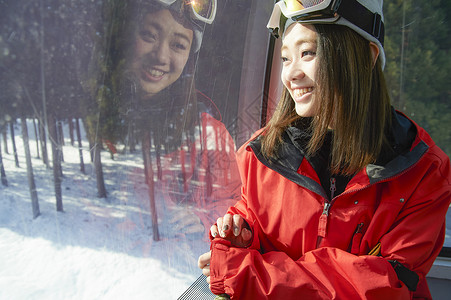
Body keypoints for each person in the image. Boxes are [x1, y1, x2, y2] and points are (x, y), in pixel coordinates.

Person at [198, 0, 451, 298]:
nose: (290, 75)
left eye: (307, 53)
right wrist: (242, 237)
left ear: (366, 56)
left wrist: (247, 273)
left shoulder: (422, 171)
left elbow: (384, 286)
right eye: (285, 58)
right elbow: (250, 217)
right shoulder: (265, 156)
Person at [116, 0, 241, 247]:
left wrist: (205, 219)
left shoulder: (210, 135)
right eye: (149, 35)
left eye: (178, 45)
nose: (161, 56)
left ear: (189, 58)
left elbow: (234, 204)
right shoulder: (99, 122)